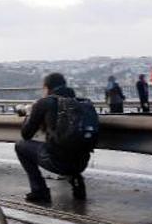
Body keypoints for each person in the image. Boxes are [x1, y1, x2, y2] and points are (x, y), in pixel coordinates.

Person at [15, 72, 93, 203]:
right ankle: (75, 178)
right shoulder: (81, 103)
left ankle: (39, 191)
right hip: (82, 162)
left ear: (46, 88)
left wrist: (30, 113)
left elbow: (26, 134)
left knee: (21, 146)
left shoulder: (44, 103)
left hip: (57, 162)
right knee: (68, 146)